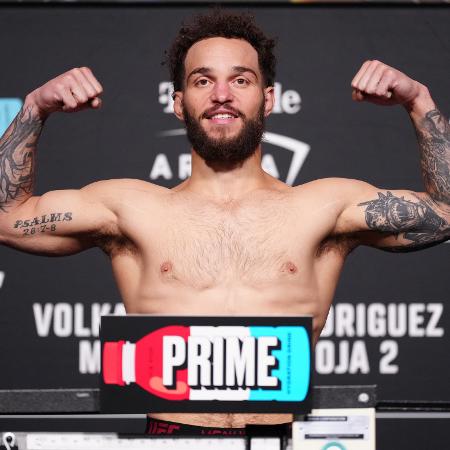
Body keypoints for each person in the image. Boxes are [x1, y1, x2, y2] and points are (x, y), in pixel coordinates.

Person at [0, 9, 448, 433]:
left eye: (241, 79)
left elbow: (445, 212)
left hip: (282, 436)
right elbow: (8, 216)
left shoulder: (323, 207)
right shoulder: (130, 209)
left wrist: (417, 100)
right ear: (178, 103)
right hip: (173, 434)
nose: (221, 94)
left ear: (268, 98)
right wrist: (35, 108)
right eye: (202, 81)